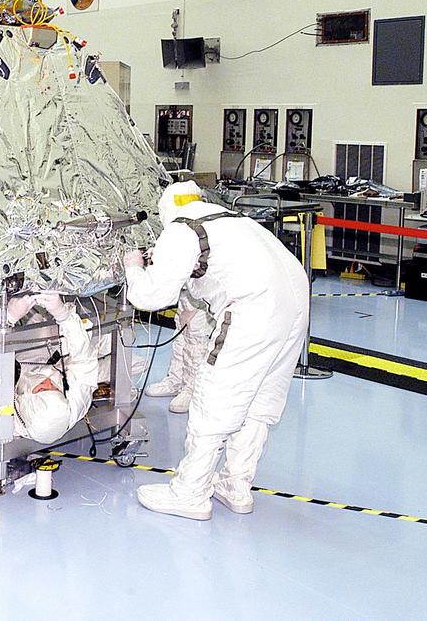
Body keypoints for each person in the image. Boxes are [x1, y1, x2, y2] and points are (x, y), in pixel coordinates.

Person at [122, 180, 308, 520]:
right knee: (259, 399)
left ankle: (189, 493)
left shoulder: (181, 229)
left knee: (216, 394)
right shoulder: (228, 219)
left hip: (253, 309)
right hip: (295, 300)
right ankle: (236, 486)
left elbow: (150, 297)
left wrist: (134, 267)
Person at [0, 292, 98, 445]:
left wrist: (7, 317)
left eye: (42, 388)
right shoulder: (74, 405)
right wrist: (62, 314)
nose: (49, 382)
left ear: (23, 400)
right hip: (49, 351)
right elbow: (84, 357)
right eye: (55, 389)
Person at [144, 298, 210, 414]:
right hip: (189, 288)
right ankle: (175, 381)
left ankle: (190, 389)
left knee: (194, 332)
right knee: (181, 330)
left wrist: (193, 310)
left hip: (204, 291)